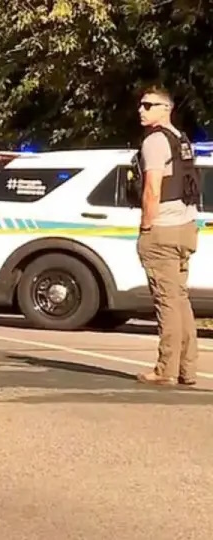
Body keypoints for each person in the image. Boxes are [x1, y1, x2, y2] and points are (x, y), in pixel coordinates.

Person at [133, 87, 201, 386]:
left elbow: (152, 189)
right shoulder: (181, 140)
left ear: (166, 109)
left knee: (167, 302)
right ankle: (187, 368)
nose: (141, 110)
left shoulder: (155, 141)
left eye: (149, 105)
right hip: (186, 227)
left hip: (163, 228)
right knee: (180, 299)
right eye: (141, 105)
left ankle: (166, 369)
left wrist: (147, 226)